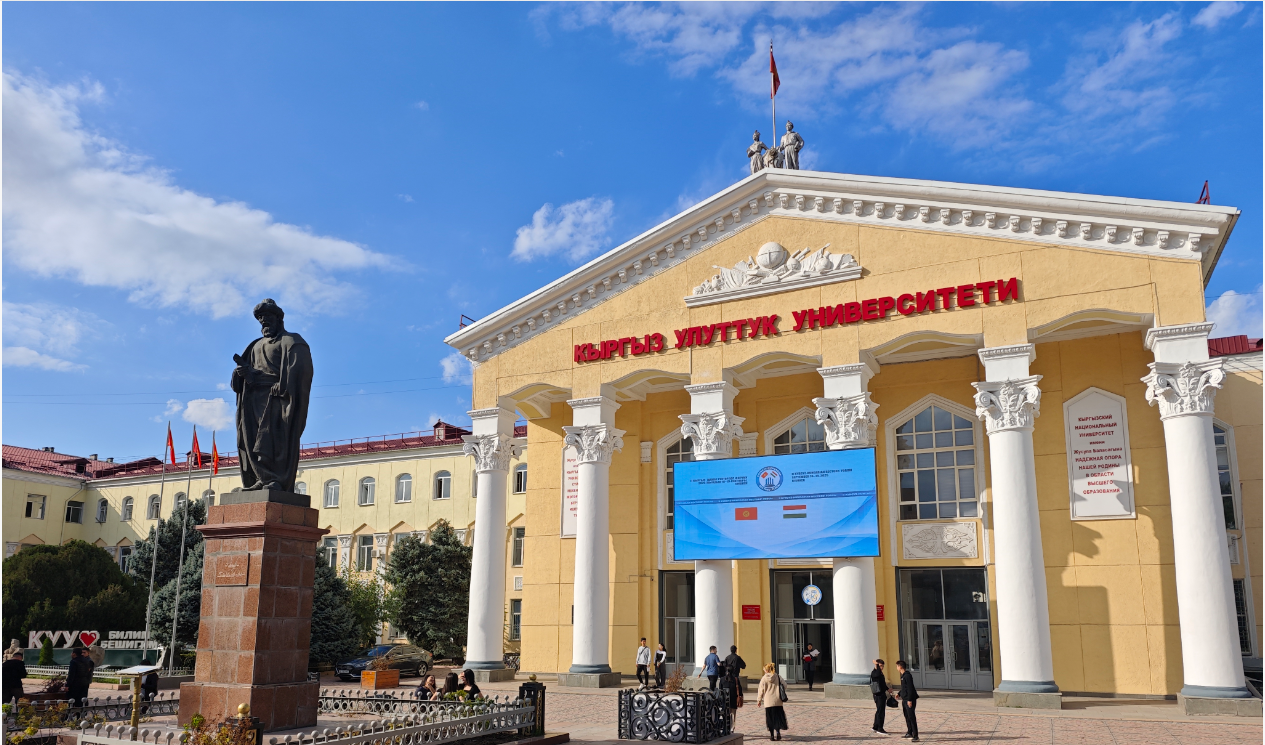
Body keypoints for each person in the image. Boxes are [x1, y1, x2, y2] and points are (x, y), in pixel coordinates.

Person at [756, 662, 788, 741]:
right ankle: (778, 732)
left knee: (770, 719)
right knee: (777, 718)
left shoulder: (764, 678)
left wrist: (759, 700)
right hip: (778, 701)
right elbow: (785, 685)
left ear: (766, 670)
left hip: (768, 702)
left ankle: (771, 735)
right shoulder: (777, 676)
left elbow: (761, 690)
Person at [896, 660, 919, 741]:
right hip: (904, 699)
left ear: (900, 667)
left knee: (911, 717)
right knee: (907, 716)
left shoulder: (907, 676)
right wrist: (899, 693)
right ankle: (910, 732)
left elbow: (910, 688)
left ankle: (915, 736)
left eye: (897, 666)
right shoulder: (903, 676)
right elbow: (904, 688)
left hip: (909, 700)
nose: (897, 668)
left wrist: (909, 700)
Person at [870, 658, 892, 735]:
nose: (881, 668)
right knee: (880, 711)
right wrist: (876, 665)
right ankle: (880, 728)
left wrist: (887, 689)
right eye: (880, 666)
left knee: (879, 710)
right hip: (878, 695)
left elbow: (882, 683)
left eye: (882, 666)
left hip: (882, 693)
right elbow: (877, 675)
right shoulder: (874, 673)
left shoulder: (880, 673)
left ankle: (875, 726)